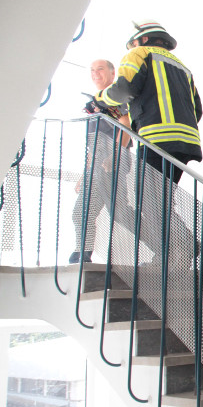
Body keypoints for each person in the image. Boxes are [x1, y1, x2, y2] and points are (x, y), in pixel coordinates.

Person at [95, 21, 202, 183]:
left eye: (133, 43)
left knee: (149, 199)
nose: (132, 48)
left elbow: (124, 89)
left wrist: (99, 99)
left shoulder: (139, 53)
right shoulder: (182, 66)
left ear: (143, 39)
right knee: (162, 197)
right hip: (187, 142)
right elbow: (197, 110)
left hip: (157, 139)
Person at [70, 59, 133, 264]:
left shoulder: (116, 96)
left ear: (112, 73)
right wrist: (84, 174)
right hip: (97, 164)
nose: (95, 73)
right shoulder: (94, 106)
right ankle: (83, 252)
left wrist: (114, 155)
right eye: (92, 70)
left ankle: (82, 254)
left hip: (111, 162)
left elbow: (126, 123)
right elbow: (93, 145)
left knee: (83, 212)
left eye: (100, 69)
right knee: (121, 214)